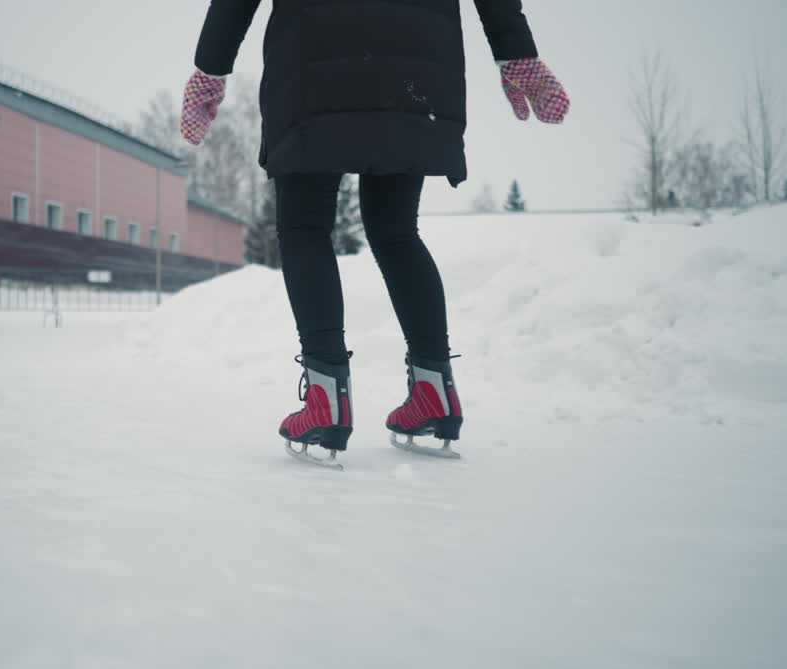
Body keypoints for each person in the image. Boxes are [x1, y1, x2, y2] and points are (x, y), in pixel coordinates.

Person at [182, 0, 569, 465]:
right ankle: (434, 395)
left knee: (305, 226)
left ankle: (326, 400)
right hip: (416, 56)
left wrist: (210, 67)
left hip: (315, 55)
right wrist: (515, 51)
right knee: (396, 229)